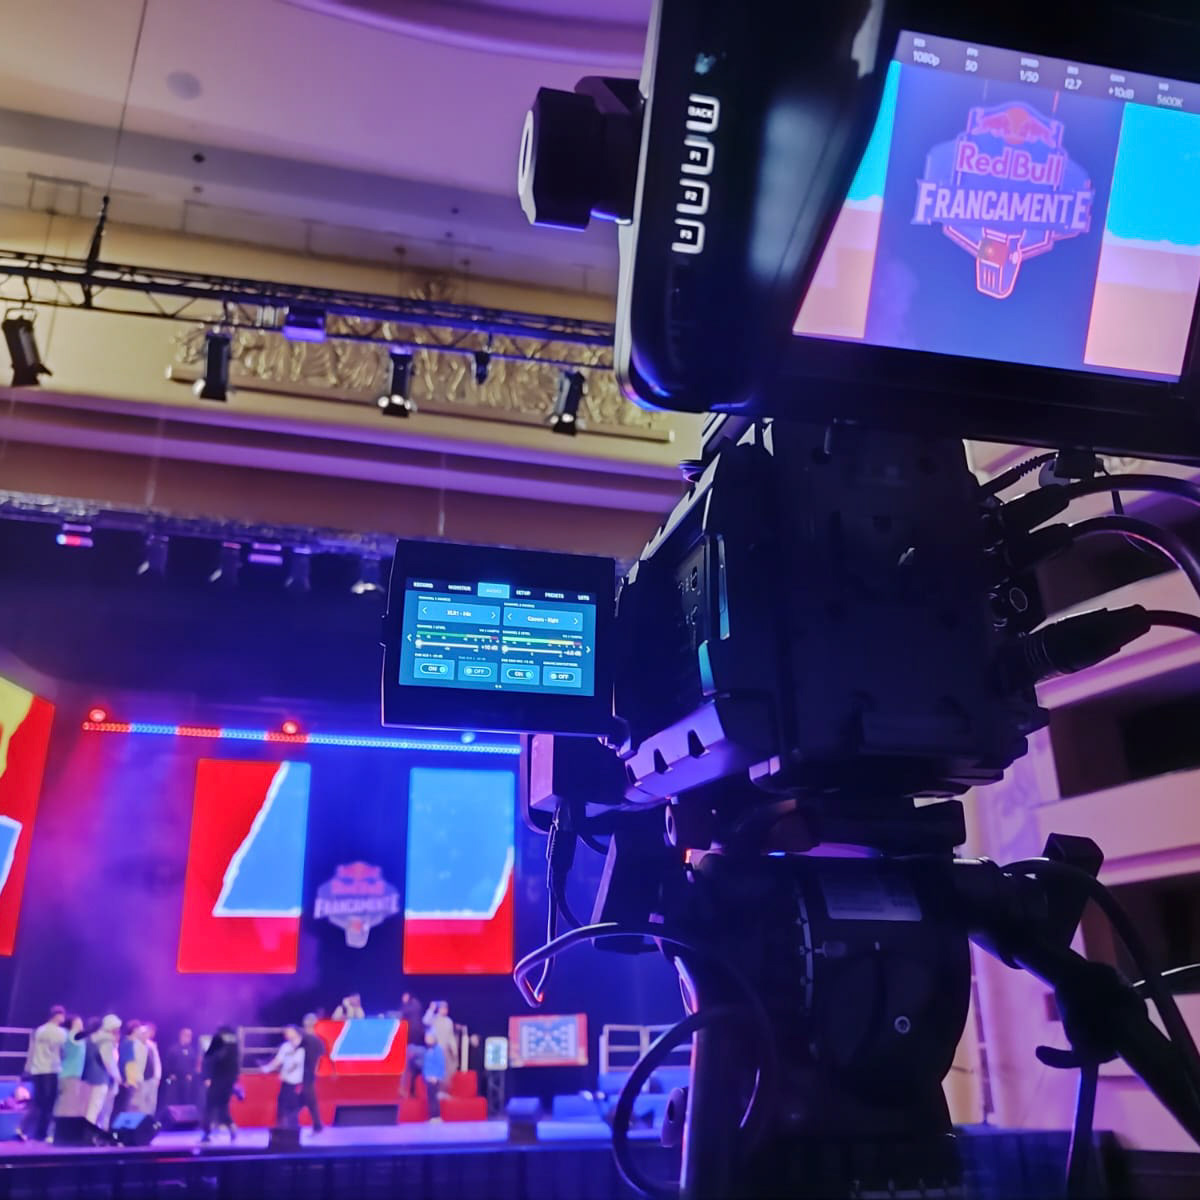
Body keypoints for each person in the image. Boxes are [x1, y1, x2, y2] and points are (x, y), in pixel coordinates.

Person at [21, 1005, 67, 1141]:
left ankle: (29, 1130)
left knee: (39, 1101)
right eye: (62, 1015)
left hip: (37, 1069)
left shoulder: (39, 1030)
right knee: (49, 1103)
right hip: (51, 1070)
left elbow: (31, 1051)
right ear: (57, 1016)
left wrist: (27, 1068)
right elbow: (63, 1051)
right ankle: (42, 1133)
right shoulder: (61, 1032)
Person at [261, 1026, 306, 1129]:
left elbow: (296, 1064)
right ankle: (281, 1128)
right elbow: (278, 1060)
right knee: (282, 1105)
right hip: (286, 1082)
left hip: (298, 1082)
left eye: (289, 1032)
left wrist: (286, 1072)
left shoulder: (303, 1046)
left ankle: (293, 1129)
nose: (286, 1034)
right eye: (286, 1033)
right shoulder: (285, 1046)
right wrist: (268, 1068)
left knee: (294, 1107)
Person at [201, 1026, 240, 1143]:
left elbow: (209, 1060)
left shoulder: (218, 1043)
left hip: (217, 1080)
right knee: (222, 1107)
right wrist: (233, 1081)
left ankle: (206, 1133)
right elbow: (235, 1067)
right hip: (227, 1081)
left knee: (210, 1107)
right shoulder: (234, 1046)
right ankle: (231, 1126)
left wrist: (207, 1077)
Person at [82, 1015, 121, 1126]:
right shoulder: (106, 1040)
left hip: (88, 1077)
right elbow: (108, 1061)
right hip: (100, 1078)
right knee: (95, 1108)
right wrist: (117, 1076)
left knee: (89, 1108)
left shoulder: (90, 1039)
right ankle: (89, 1132)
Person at [54, 1015, 87, 1121]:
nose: (81, 1025)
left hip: (70, 1074)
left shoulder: (74, 1037)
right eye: (78, 1023)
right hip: (69, 1075)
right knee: (66, 1105)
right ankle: (58, 1128)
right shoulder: (71, 1036)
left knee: (65, 1103)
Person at [111, 1020, 145, 1123]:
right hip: (128, 1080)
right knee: (125, 1106)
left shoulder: (135, 1043)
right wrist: (129, 1080)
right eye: (139, 1029)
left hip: (134, 1078)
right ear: (134, 1030)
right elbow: (127, 1063)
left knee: (132, 1105)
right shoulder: (128, 1043)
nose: (140, 1032)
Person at [298, 1014, 325, 1133]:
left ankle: (317, 1124)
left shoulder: (305, 1039)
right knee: (308, 1098)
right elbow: (321, 1057)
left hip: (305, 1071)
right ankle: (317, 1125)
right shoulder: (318, 1040)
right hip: (310, 1072)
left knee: (308, 1098)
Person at [164, 1027, 200, 1112]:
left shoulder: (191, 1050)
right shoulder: (173, 1049)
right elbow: (167, 1062)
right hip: (174, 1079)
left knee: (185, 1099)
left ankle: (185, 1116)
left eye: (190, 1036)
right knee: (173, 1099)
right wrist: (170, 1074)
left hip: (186, 1079)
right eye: (187, 1035)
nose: (189, 1038)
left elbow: (194, 1064)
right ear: (181, 1036)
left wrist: (191, 1074)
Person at [424, 1000, 457, 1080]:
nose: (445, 1010)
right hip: (434, 1050)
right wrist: (431, 1009)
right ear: (439, 1009)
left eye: (446, 1008)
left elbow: (450, 1037)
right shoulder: (434, 1018)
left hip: (445, 1050)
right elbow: (425, 1021)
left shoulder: (448, 1021)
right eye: (443, 1008)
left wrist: (454, 1049)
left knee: (447, 1071)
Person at [400, 991, 425, 1097]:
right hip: (416, 1044)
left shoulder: (412, 1006)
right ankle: (412, 1091)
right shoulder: (416, 1006)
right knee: (413, 1070)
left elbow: (403, 1013)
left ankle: (406, 1090)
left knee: (408, 1069)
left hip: (413, 1045)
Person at [421, 1033, 446, 1122]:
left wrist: (436, 1077)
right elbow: (425, 1065)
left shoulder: (438, 1049)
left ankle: (436, 1116)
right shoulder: (427, 1050)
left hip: (434, 1078)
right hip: (428, 1077)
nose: (427, 1039)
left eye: (428, 1037)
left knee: (434, 1098)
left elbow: (440, 1064)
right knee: (430, 1098)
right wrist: (425, 1076)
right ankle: (432, 1116)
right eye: (426, 1037)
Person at [139, 1023, 162, 1116]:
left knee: (151, 1102)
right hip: (142, 1078)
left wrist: (157, 1076)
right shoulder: (137, 1044)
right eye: (145, 1033)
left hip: (153, 1078)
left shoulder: (152, 1045)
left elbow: (156, 1061)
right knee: (141, 1102)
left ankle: (149, 1119)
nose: (147, 1034)